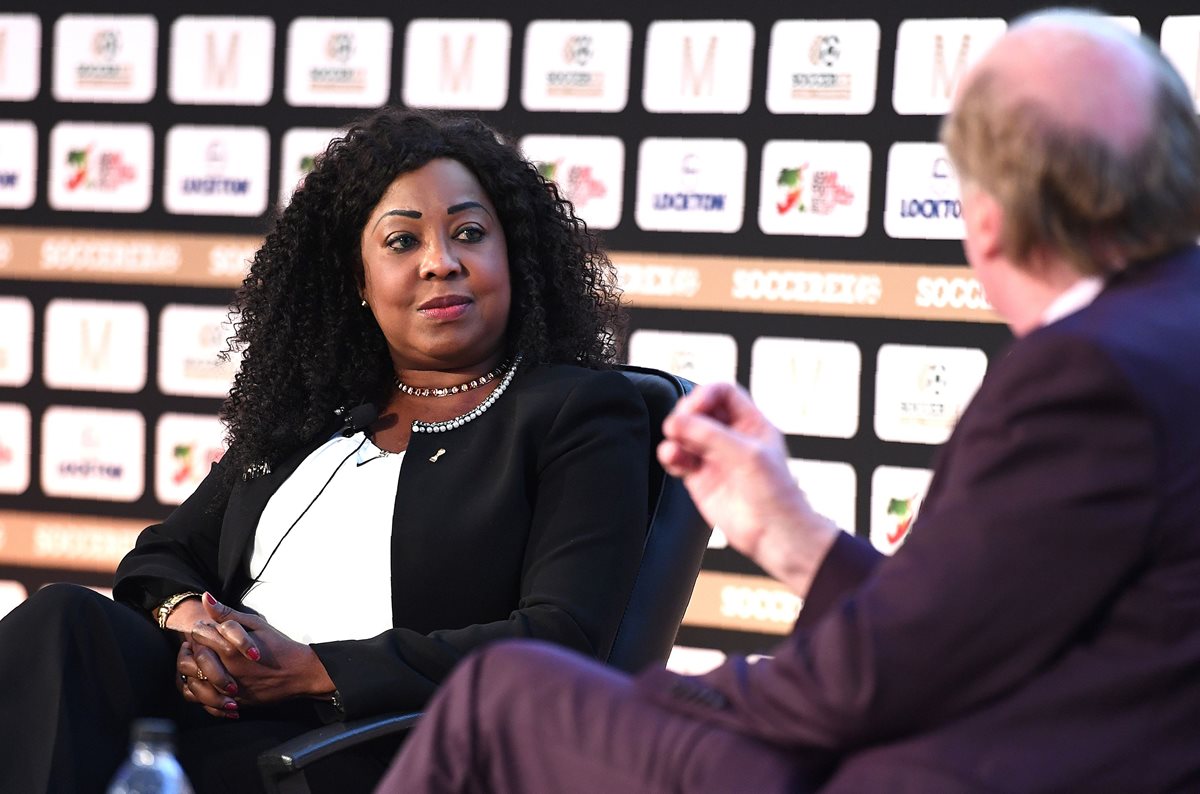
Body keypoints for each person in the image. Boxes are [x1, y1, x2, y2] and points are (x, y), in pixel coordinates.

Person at [378, 11, 1200, 792]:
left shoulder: (1086, 374)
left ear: (984, 219)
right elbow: (969, 621)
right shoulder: (1166, 332)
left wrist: (674, 694)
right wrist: (792, 533)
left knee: (502, 697)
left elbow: (879, 677)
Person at [0, 108, 650, 793]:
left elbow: (560, 637)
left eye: (470, 233)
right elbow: (164, 555)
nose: (442, 262)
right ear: (359, 284)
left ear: (512, 255)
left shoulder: (576, 411)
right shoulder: (319, 414)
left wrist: (313, 668)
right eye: (402, 241)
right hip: (212, 703)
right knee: (62, 619)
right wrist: (198, 631)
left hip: (368, 738)